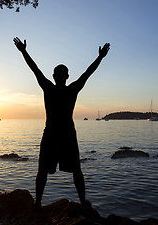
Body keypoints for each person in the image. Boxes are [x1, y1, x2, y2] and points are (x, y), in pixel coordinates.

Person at [13, 37, 110, 210]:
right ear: (67, 76)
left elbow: (35, 69)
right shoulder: (72, 89)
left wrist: (24, 51)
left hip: (50, 132)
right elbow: (88, 72)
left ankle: (38, 203)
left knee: (43, 170)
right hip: (67, 134)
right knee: (76, 171)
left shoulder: (48, 88)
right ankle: (82, 202)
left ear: (54, 76)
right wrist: (100, 57)